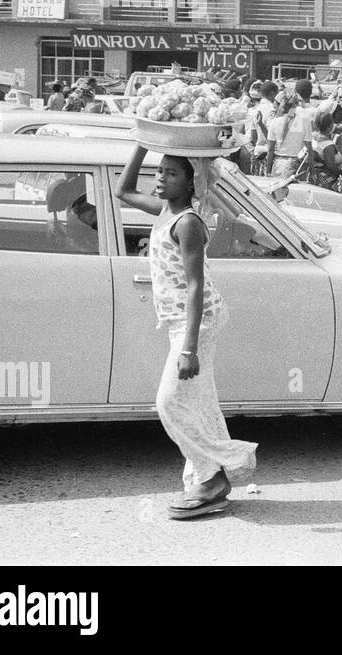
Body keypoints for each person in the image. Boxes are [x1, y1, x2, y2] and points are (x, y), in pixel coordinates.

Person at [115, 146, 257, 518]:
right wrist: (142, 143)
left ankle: (214, 473)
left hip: (198, 320)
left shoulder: (188, 222)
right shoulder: (166, 210)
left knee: (170, 401)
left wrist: (189, 349)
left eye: (171, 174)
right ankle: (208, 476)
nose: (160, 178)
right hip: (183, 320)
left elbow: (196, 285)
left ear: (192, 181)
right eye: (159, 171)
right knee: (198, 400)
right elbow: (123, 191)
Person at [307, 108, 342, 191]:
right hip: (325, 180)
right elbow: (330, 165)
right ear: (330, 126)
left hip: (311, 174)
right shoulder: (327, 145)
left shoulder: (312, 136)